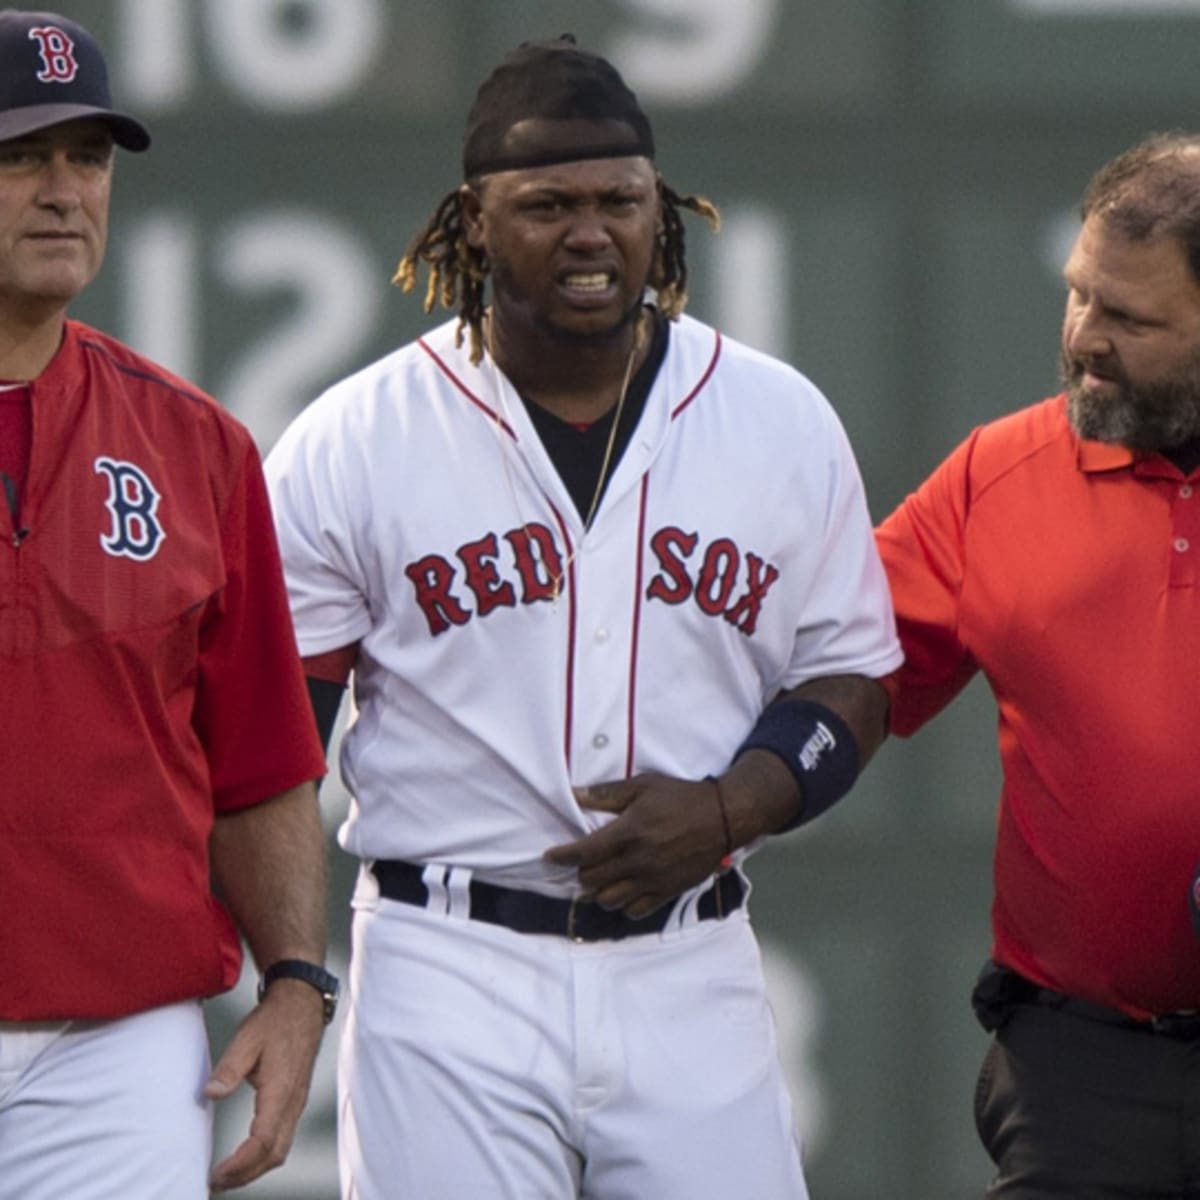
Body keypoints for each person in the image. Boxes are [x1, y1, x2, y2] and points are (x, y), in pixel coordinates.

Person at [265, 34, 902, 1200]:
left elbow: (849, 681)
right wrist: (290, 971)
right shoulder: (354, 442)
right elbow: (276, 750)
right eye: (548, 202)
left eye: (621, 198)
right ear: (472, 221)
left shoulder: (777, 420)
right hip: (445, 963)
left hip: (689, 960)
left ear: (664, 211)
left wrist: (729, 806)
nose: (592, 231)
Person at [0, 10, 338, 1198]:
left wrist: (298, 980)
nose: (61, 192)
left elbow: (256, 763)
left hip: (119, 1045)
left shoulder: (196, 446)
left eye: (86, 159)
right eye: (20, 156)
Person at [876, 131, 1200, 1199]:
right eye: (1079, 297)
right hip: (1087, 1068)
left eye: (1131, 318)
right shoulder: (998, 476)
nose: (1084, 340)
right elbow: (837, 670)